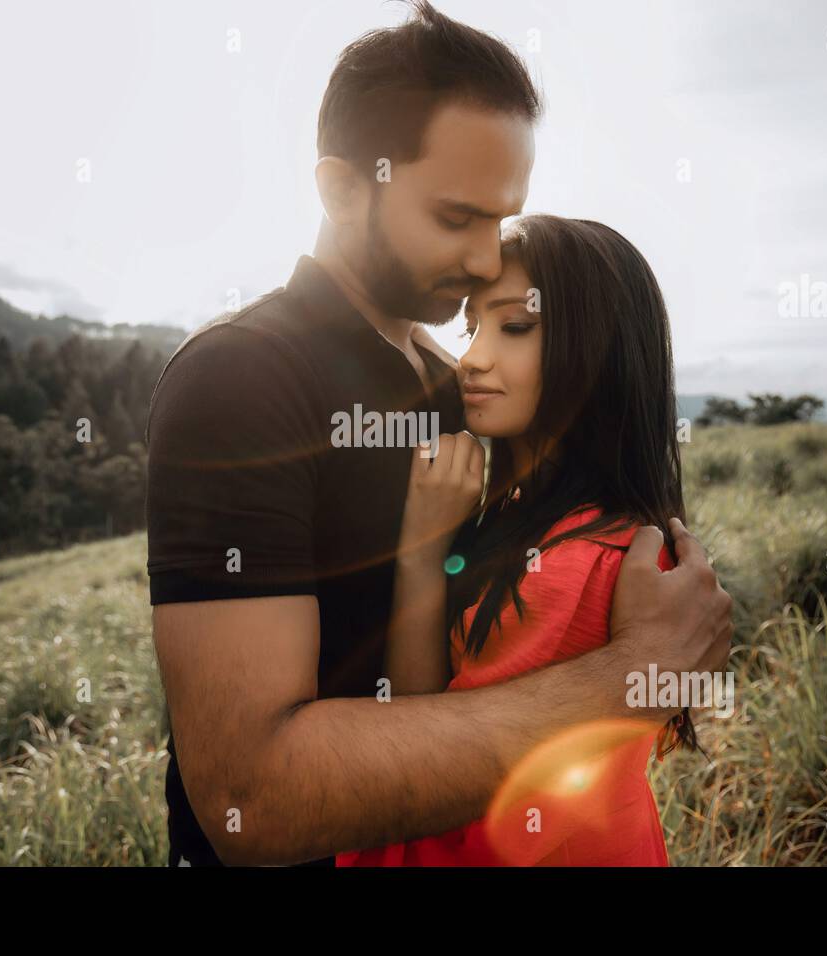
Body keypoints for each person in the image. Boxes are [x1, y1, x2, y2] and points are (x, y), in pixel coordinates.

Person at [145, 1, 733, 867]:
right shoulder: (241, 378)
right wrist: (634, 676)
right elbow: (250, 800)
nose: (490, 256)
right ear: (345, 190)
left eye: (503, 219)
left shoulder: (452, 382)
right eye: (457, 219)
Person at [338, 214, 698, 866]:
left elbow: (442, 781)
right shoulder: (557, 519)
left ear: (600, 347)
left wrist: (421, 549)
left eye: (515, 326)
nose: (473, 357)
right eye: (471, 325)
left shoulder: (575, 565)